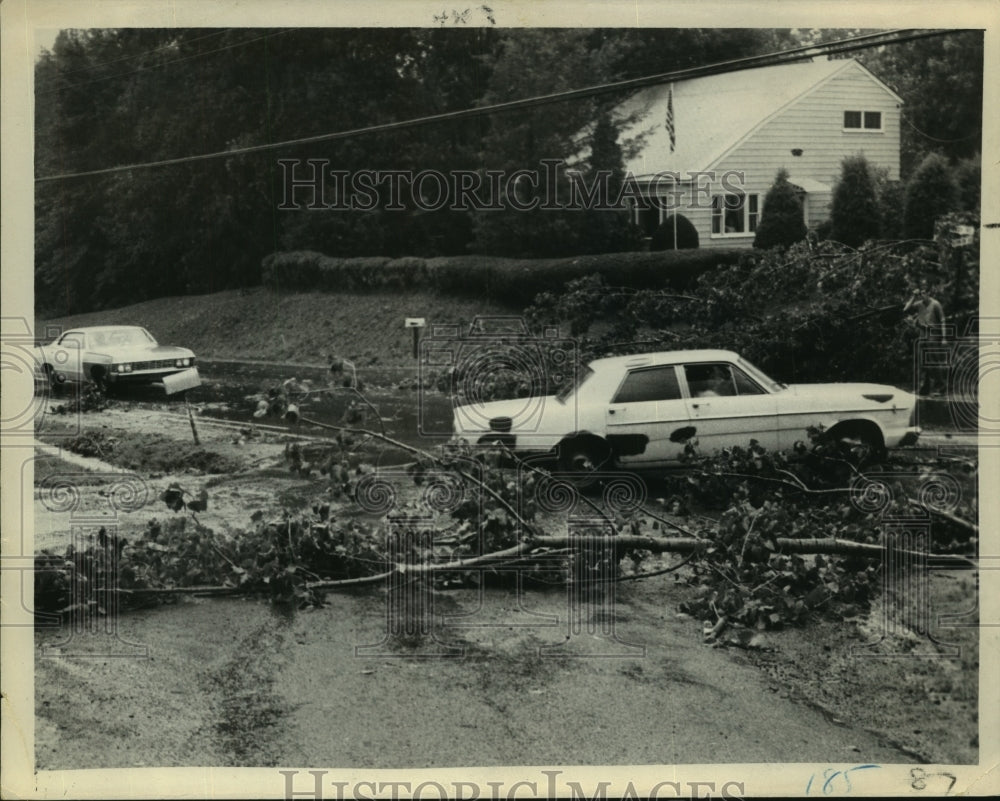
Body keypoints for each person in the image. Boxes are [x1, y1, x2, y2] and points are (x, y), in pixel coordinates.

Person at [904, 280, 948, 396]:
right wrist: (913, 296)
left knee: (933, 361)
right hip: (922, 334)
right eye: (921, 293)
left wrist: (944, 337)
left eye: (924, 293)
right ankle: (924, 388)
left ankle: (940, 387)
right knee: (922, 362)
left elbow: (943, 320)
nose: (922, 295)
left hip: (933, 334)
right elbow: (906, 309)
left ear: (929, 293)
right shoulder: (919, 304)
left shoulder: (935, 304)